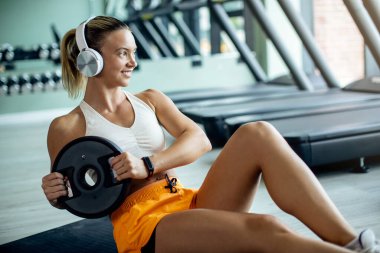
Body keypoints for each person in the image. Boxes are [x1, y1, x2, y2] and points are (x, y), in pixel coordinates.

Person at [41, 16, 379, 253]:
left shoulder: (151, 99)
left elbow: (199, 139)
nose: (132, 62)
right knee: (265, 228)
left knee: (257, 132)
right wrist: (57, 194)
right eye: (122, 53)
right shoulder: (68, 126)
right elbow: (74, 193)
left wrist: (148, 163)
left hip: (186, 200)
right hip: (145, 224)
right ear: (91, 61)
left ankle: (350, 241)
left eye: (134, 53)